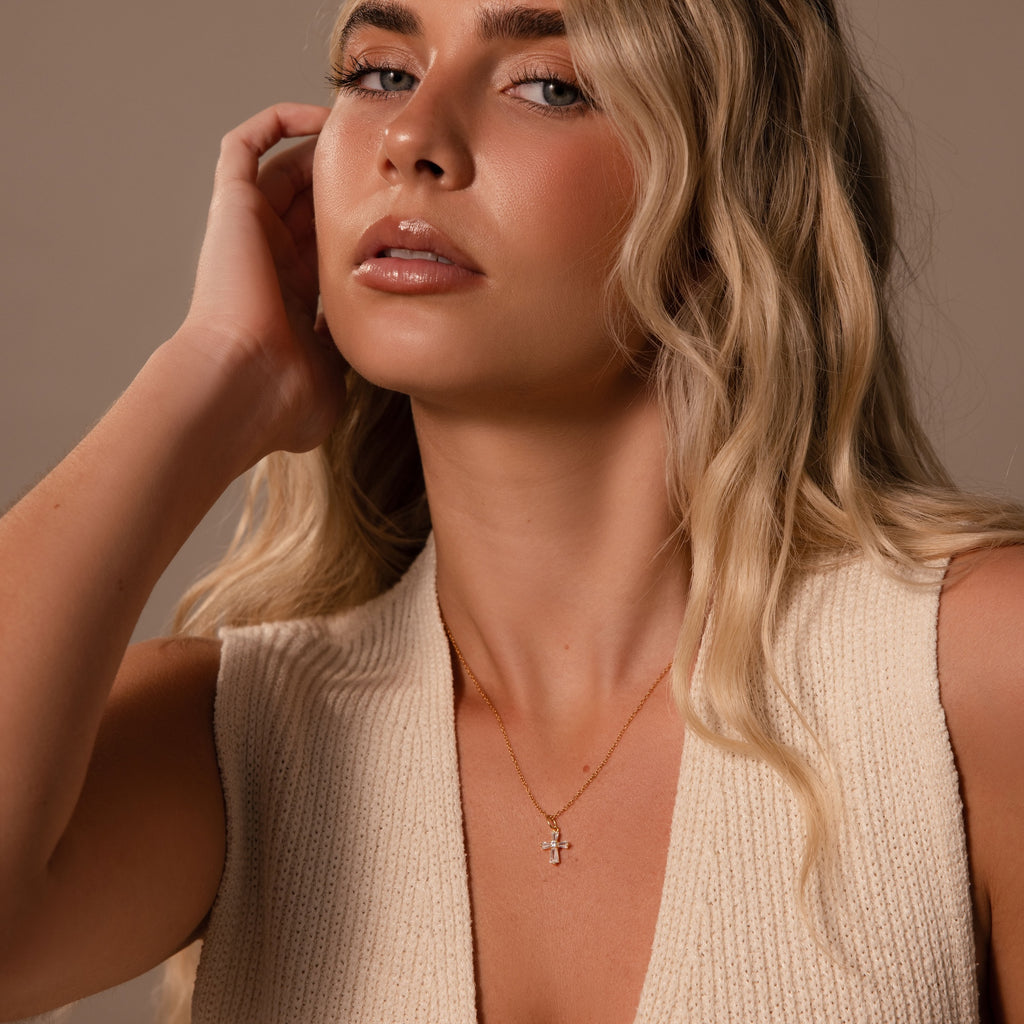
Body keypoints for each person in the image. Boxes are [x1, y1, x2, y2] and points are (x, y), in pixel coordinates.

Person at [0, 0, 1022, 1020]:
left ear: (727, 205)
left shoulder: (965, 678)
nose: (410, 139)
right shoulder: (236, 742)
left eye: (547, 86)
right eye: (381, 72)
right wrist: (208, 378)